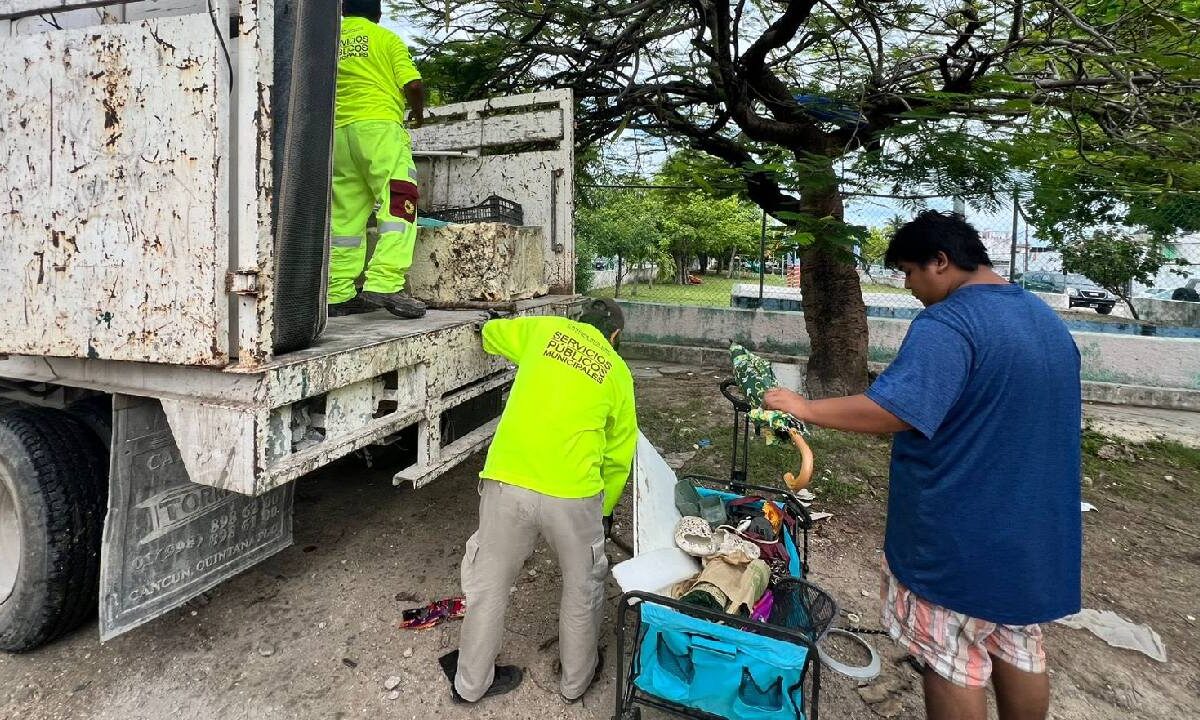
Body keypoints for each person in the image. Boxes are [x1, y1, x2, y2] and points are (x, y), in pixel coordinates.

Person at [765, 211, 1082, 720]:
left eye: (910, 272)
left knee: (951, 660)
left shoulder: (949, 322)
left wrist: (804, 408)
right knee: (1017, 646)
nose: (910, 287)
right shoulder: (1043, 319)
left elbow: (895, 408)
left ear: (941, 261)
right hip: (1032, 534)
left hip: (958, 536)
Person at [446, 299, 638, 704]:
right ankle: (575, 682)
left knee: (488, 583)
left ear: (578, 320)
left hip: (507, 482)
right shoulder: (618, 372)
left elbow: (490, 335)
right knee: (582, 586)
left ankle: (470, 684)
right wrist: (603, 511)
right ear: (615, 337)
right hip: (573, 495)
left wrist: (494, 323)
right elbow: (620, 454)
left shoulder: (544, 331)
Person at [328, 0, 427, 319]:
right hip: (380, 129)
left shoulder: (329, 41)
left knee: (345, 214)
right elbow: (412, 83)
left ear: (343, 10)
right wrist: (417, 111)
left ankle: (337, 292)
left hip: (339, 134)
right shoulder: (386, 38)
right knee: (400, 200)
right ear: (378, 13)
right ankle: (385, 281)